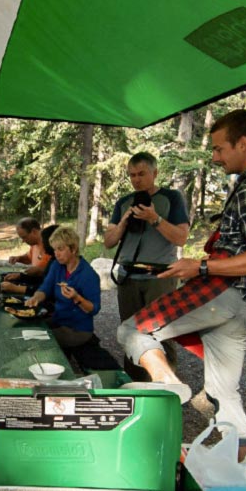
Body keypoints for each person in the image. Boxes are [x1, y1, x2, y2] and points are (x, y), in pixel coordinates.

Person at [116, 110, 246, 452]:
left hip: (222, 291)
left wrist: (199, 268)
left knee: (132, 330)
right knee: (223, 391)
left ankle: (168, 383)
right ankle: (242, 464)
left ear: (243, 143)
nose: (214, 158)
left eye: (219, 149)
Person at [103, 152, 191, 379]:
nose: (136, 180)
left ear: (155, 173)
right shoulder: (124, 202)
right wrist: (123, 222)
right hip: (128, 277)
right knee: (130, 334)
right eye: (132, 175)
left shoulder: (171, 198)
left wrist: (155, 218)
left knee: (161, 333)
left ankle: (166, 386)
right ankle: (135, 384)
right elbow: (109, 242)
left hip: (159, 277)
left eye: (141, 174)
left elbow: (181, 237)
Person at [25, 226, 104, 360]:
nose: (56, 254)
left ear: (73, 249)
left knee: (37, 341)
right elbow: (45, 288)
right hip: (59, 320)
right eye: (55, 249)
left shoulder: (88, 275)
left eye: (60, 249)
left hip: (77, 330)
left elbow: (93, 309)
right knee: (28, 330)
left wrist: (76, 297)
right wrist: (36, 298)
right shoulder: (57, 266)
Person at [2, 221, 55, 294]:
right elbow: (29, 258)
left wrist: (17, 289)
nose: (23, 241)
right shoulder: (34, 245)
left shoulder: (53, 253)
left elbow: (49, 287)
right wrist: (20, 275)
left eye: (24, 237)